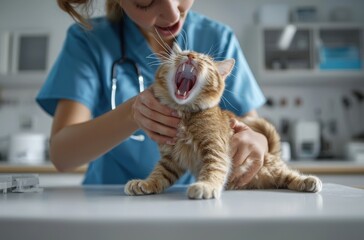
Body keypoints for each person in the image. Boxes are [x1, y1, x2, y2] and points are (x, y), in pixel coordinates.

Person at [36, 0, 268, 186]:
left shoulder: (217, 38)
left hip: (192, 201)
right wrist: (132, 113)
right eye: (145, 3)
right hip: (109, 204)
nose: (173, 14)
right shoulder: (89, 40)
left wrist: (258, 141)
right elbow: (62, 156)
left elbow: (252, 128)